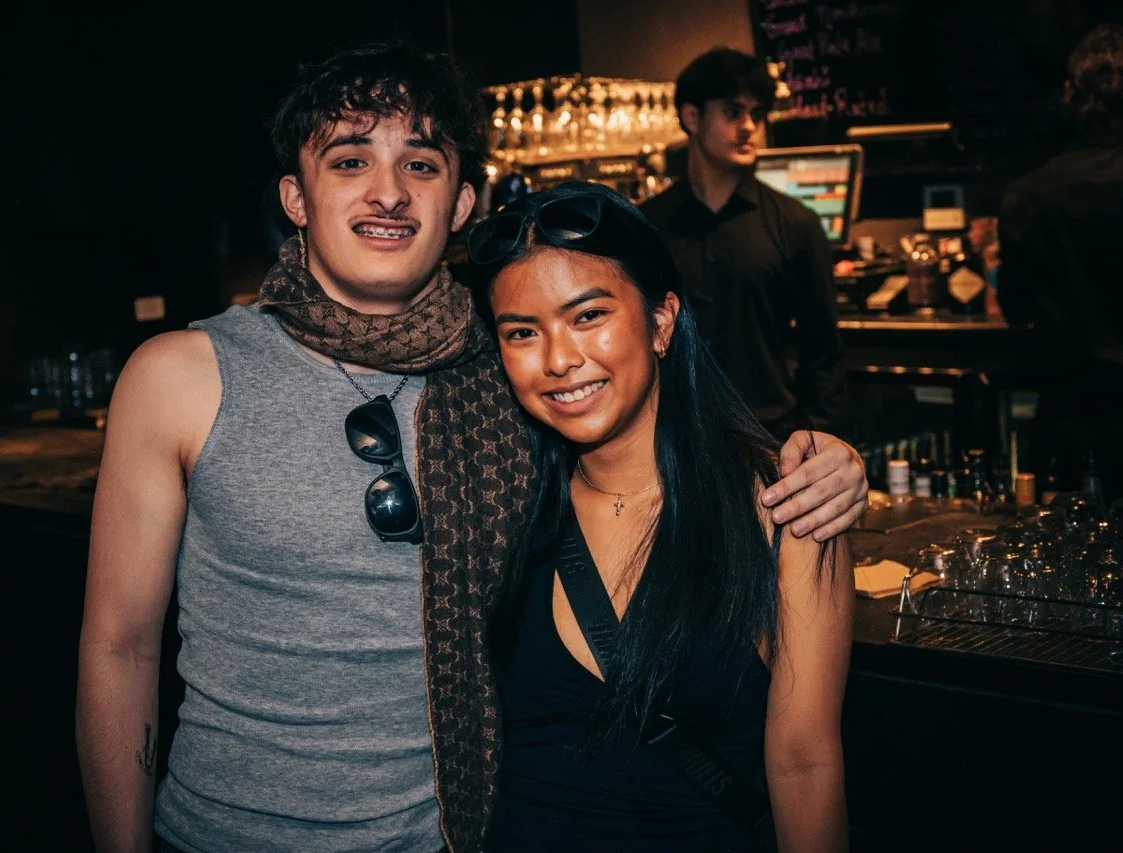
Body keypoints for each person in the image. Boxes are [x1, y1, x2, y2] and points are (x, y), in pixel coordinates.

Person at [75, 42, 869, 853]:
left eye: (420, 164)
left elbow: (660, 430)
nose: (388, 191)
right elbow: (119, 645)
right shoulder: (181, 376)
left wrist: (827, 461)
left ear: (460, 203)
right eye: (350, 160)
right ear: (296, 197)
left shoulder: (512, 376)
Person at [467, 180, 852, 851]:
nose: (559, 359)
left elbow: (804, 762)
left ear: (662, 319)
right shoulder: (499, 501)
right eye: (522, 332)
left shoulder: (779, 506)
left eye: (588, 316)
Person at [640, 46, 847, 442]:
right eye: (733, 112)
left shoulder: (795, 224)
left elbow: (824, 354)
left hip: (769, 437)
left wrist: (816, 443)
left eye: (757, 114)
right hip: (670, 440)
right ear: (691, 117)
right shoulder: (648, 224)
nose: (750, 126)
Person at [997, 22, 1122, 504]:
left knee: (1070, 566)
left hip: (1074, 423)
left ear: (1072, 95)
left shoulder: (1029, 195)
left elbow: (1016, 307)